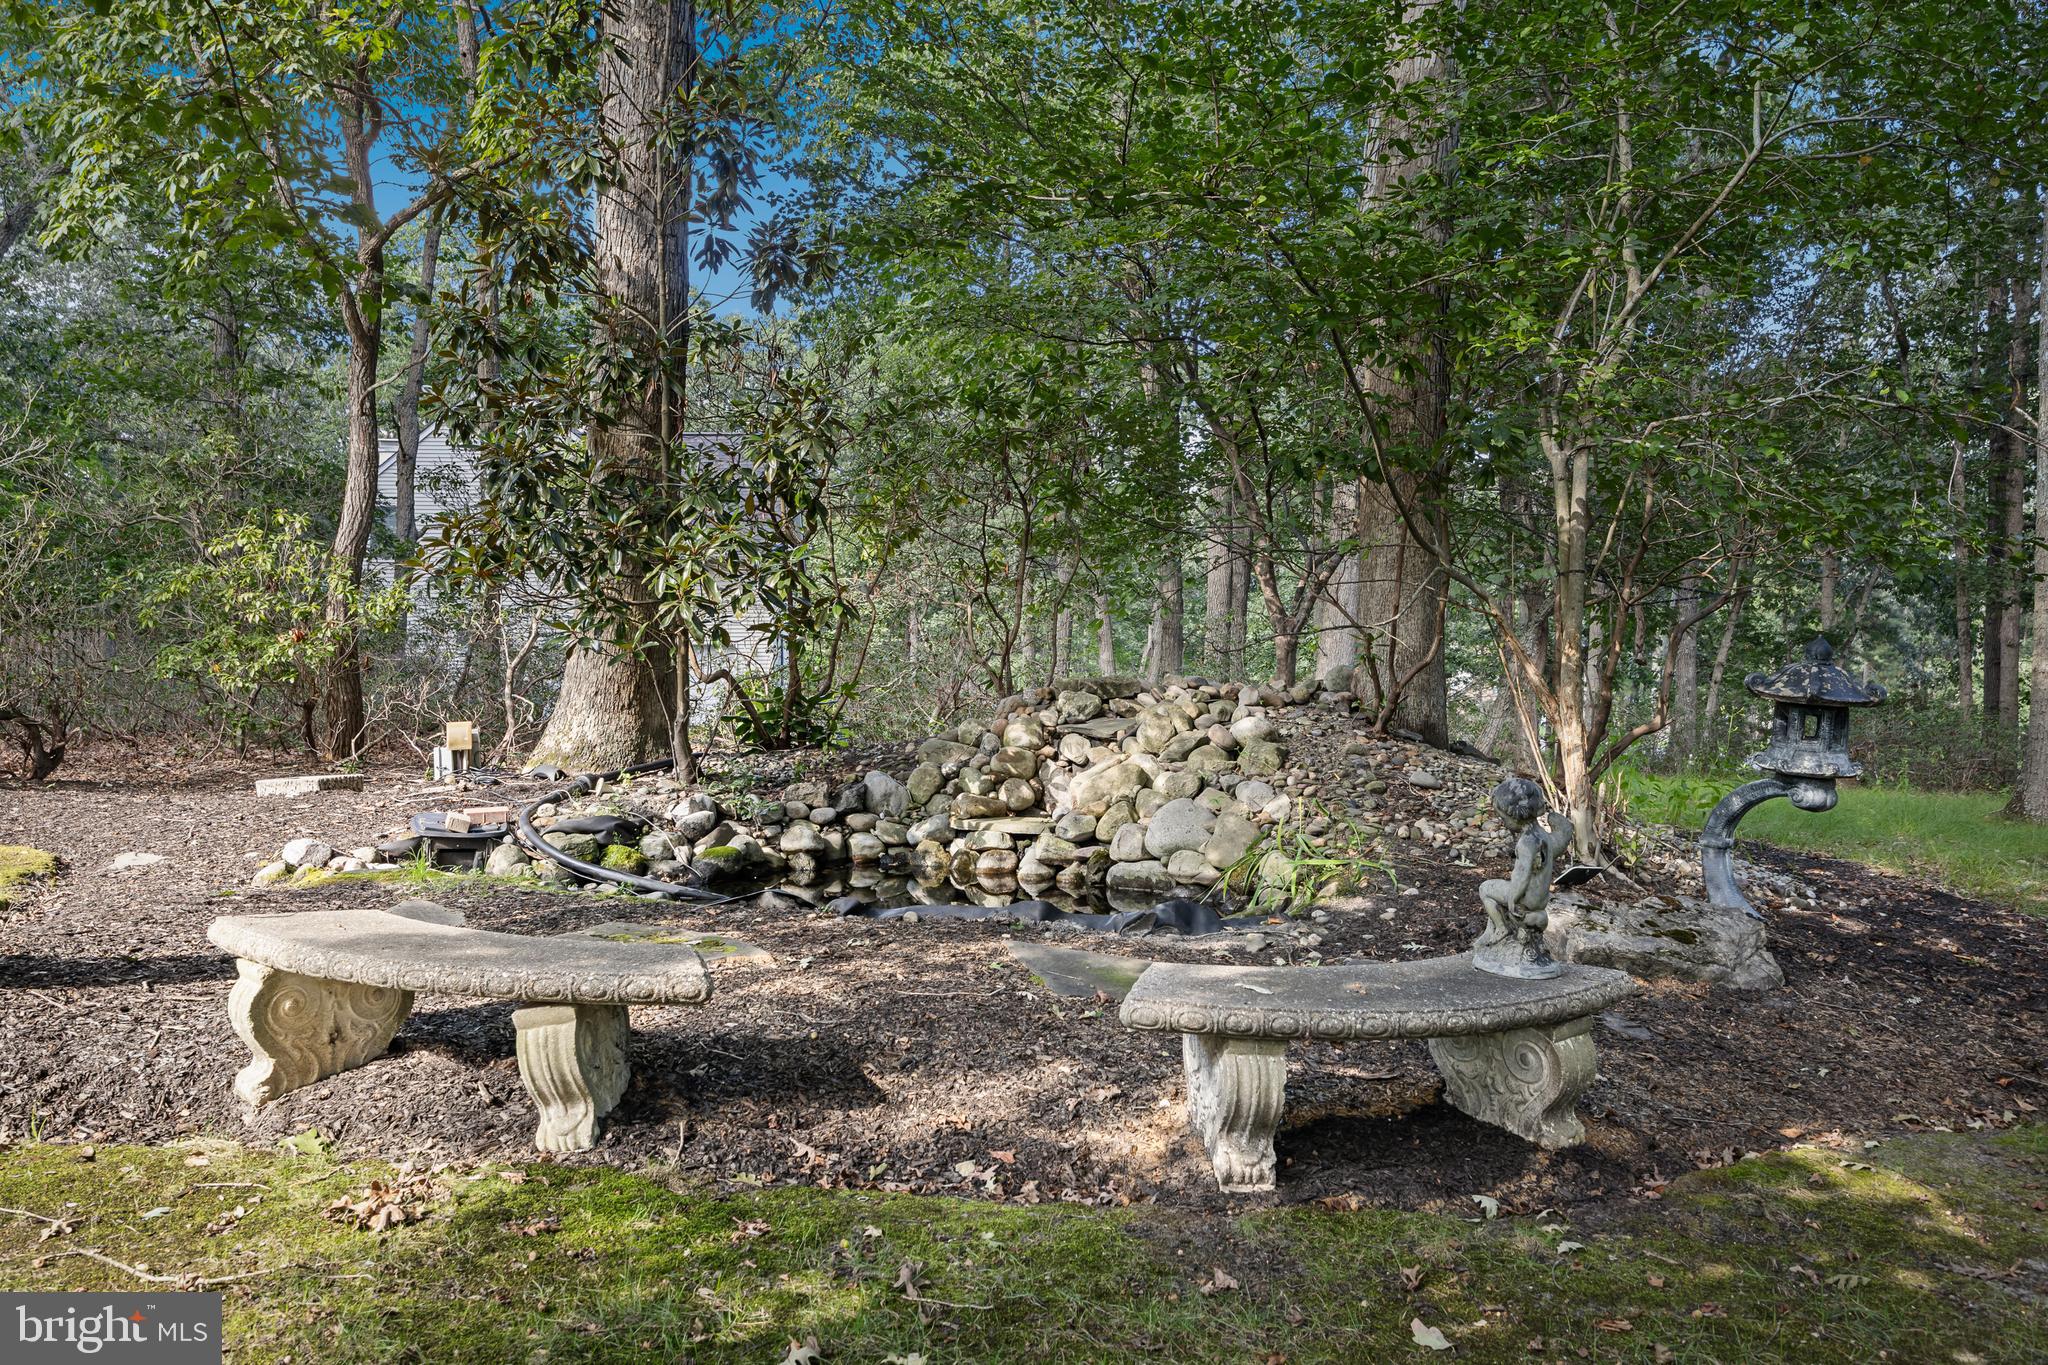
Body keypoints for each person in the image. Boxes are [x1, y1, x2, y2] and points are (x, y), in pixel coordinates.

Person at [1474, 776, 1570, 979]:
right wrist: (1562, 826)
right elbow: (1560, 841)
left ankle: (1501, 929)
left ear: (1514, 816)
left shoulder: (1526, 842)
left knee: (1485, 888)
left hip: (1524, 899)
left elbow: (1522, 875)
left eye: (1503, 818)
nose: (1502, 822)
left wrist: (1511, 899)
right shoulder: (1543, 836)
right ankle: (1514, 934)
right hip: (1539, 902)